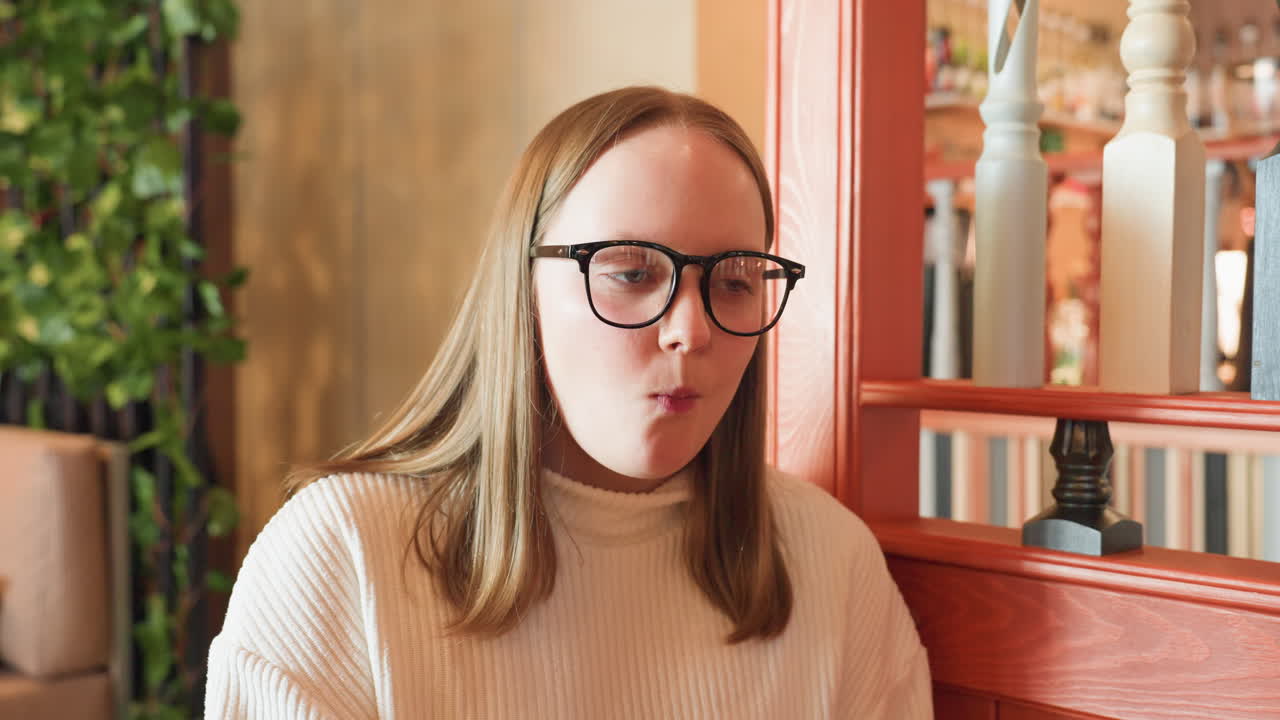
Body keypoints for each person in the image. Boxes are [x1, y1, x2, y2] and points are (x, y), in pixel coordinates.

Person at [205, 86, 932, 718]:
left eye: (736, 281)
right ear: (522, 289)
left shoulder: (830, 564)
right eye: (631, 272)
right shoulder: (342, 558)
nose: (691, 329)